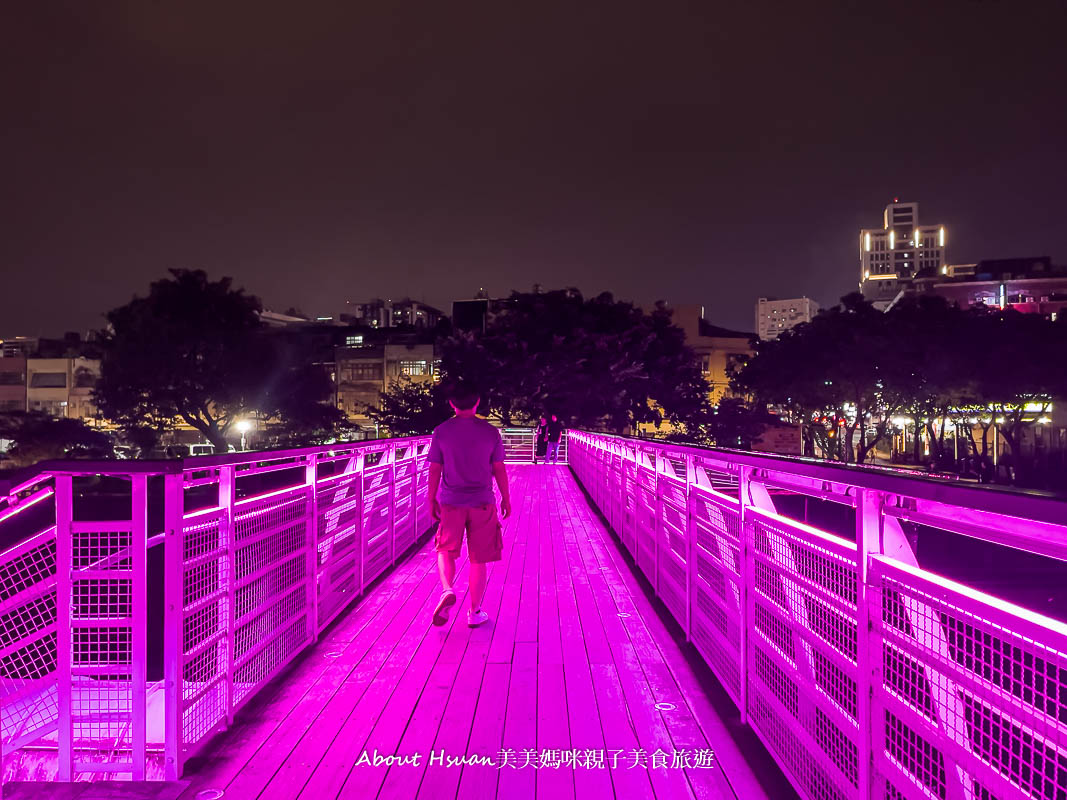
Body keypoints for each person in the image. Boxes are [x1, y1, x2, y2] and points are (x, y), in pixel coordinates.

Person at [427, 382, 512, 628]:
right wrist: (506, 497)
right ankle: (474, 613)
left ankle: (446, 590)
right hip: (482, 502)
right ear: (477, 404)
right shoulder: (489, 432)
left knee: (445, 549)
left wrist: (431, 497)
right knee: (478, 559)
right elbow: (499, 468)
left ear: (452, 404)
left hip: (451, 503)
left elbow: (435, 469)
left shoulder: (441, 431)